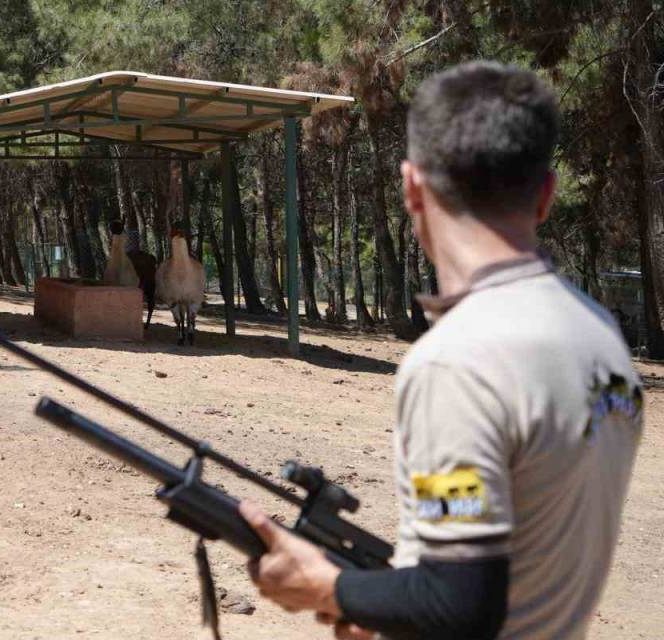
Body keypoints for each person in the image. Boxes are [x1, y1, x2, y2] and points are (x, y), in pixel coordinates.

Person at [238, 61, 644, 639]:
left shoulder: (459, 360)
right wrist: (380, 609)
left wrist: (328, 585)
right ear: (546, 195)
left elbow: (459, 604)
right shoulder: (599, 333)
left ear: (412, 186)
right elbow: (516, 567)